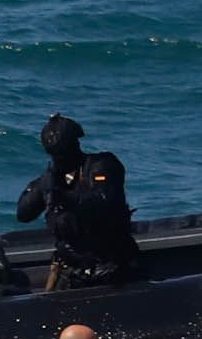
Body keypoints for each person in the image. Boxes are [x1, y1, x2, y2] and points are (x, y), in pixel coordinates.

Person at [16, 116, 144, 289]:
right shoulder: (52, 178)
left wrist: (64, 197)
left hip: (111, 267)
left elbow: (103, 200)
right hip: (73, 271)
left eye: (63, 151)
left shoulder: (101, 166)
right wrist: (43, 189)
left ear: (75, 145)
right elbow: (23, 214)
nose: (61, 158)